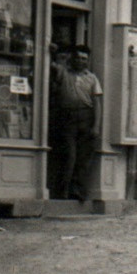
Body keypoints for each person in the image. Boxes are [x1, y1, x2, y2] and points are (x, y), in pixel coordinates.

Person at [49, 44, 103, 205]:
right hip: (67, 117)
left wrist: (96, 126)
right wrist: (51, 52)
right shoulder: (64, 72)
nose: (81, 61)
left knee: (83, 157)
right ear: (73, 59)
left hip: (86, 117)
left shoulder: (92, 78)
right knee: (69, 155)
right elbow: (50, 66)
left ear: (88, 61)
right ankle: (62, 190)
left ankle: (77, 190)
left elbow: (97, 103)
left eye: (84, 59)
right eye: (78, 58)